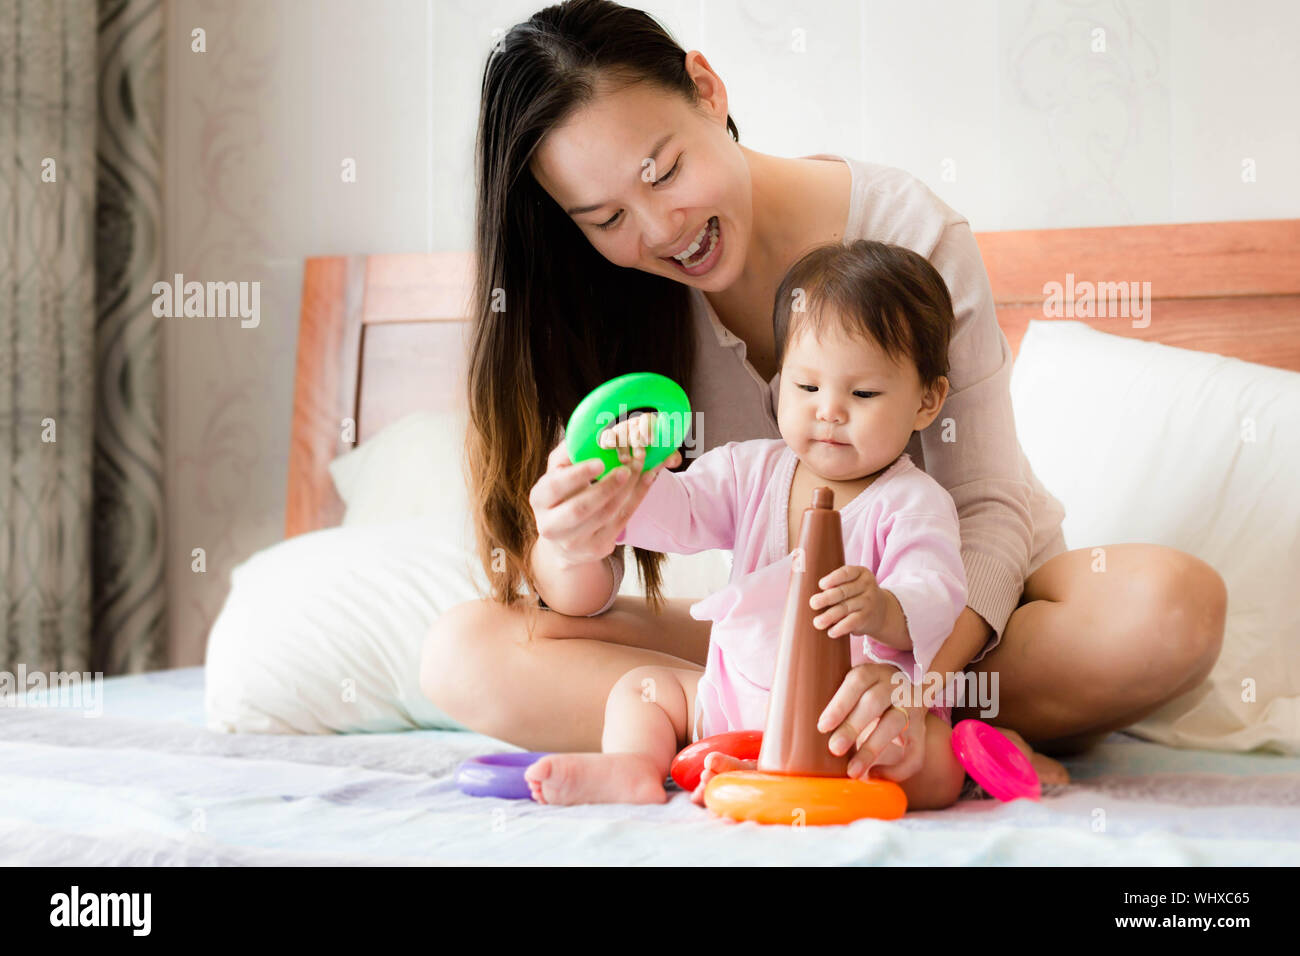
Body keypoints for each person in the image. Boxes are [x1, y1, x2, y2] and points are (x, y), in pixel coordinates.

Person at [421, 0, 1227, 786]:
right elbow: (589, 591)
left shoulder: (908, 231)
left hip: (972, 626)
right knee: (465, 653)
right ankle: (818, 726)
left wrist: (917, 688)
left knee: (1167, 608)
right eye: (605, 218)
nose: (660, 230)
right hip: (778, 640)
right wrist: (575, 531)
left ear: (708, 90)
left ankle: (910, 726)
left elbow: (988, 508)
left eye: (663, 172)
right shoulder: (607, 294)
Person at [525, 240, 1061, 809]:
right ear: (780, 384)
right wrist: (629, 477)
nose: (828, 410)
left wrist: (884, 608)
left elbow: (938, 596)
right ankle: (632, 769)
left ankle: (986, 753)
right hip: (733, 705)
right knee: (641, 692)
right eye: (807, 387)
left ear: (927, 402)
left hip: (848, 720)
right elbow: (677, 516)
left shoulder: (914, 502)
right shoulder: (748, 468)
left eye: (863, 392)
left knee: (925, 765)